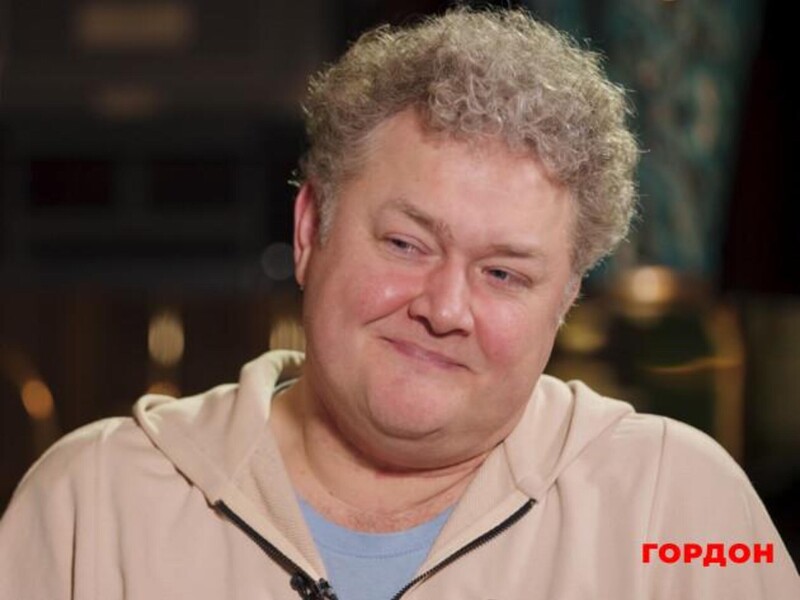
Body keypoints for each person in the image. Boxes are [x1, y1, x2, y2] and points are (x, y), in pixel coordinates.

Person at [1, 8, 798, 600]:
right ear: (309, 230)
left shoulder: (681, 510)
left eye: (504, 274)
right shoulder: (91, 502)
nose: (445, 309)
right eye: (407, 244)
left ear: (564, 301)